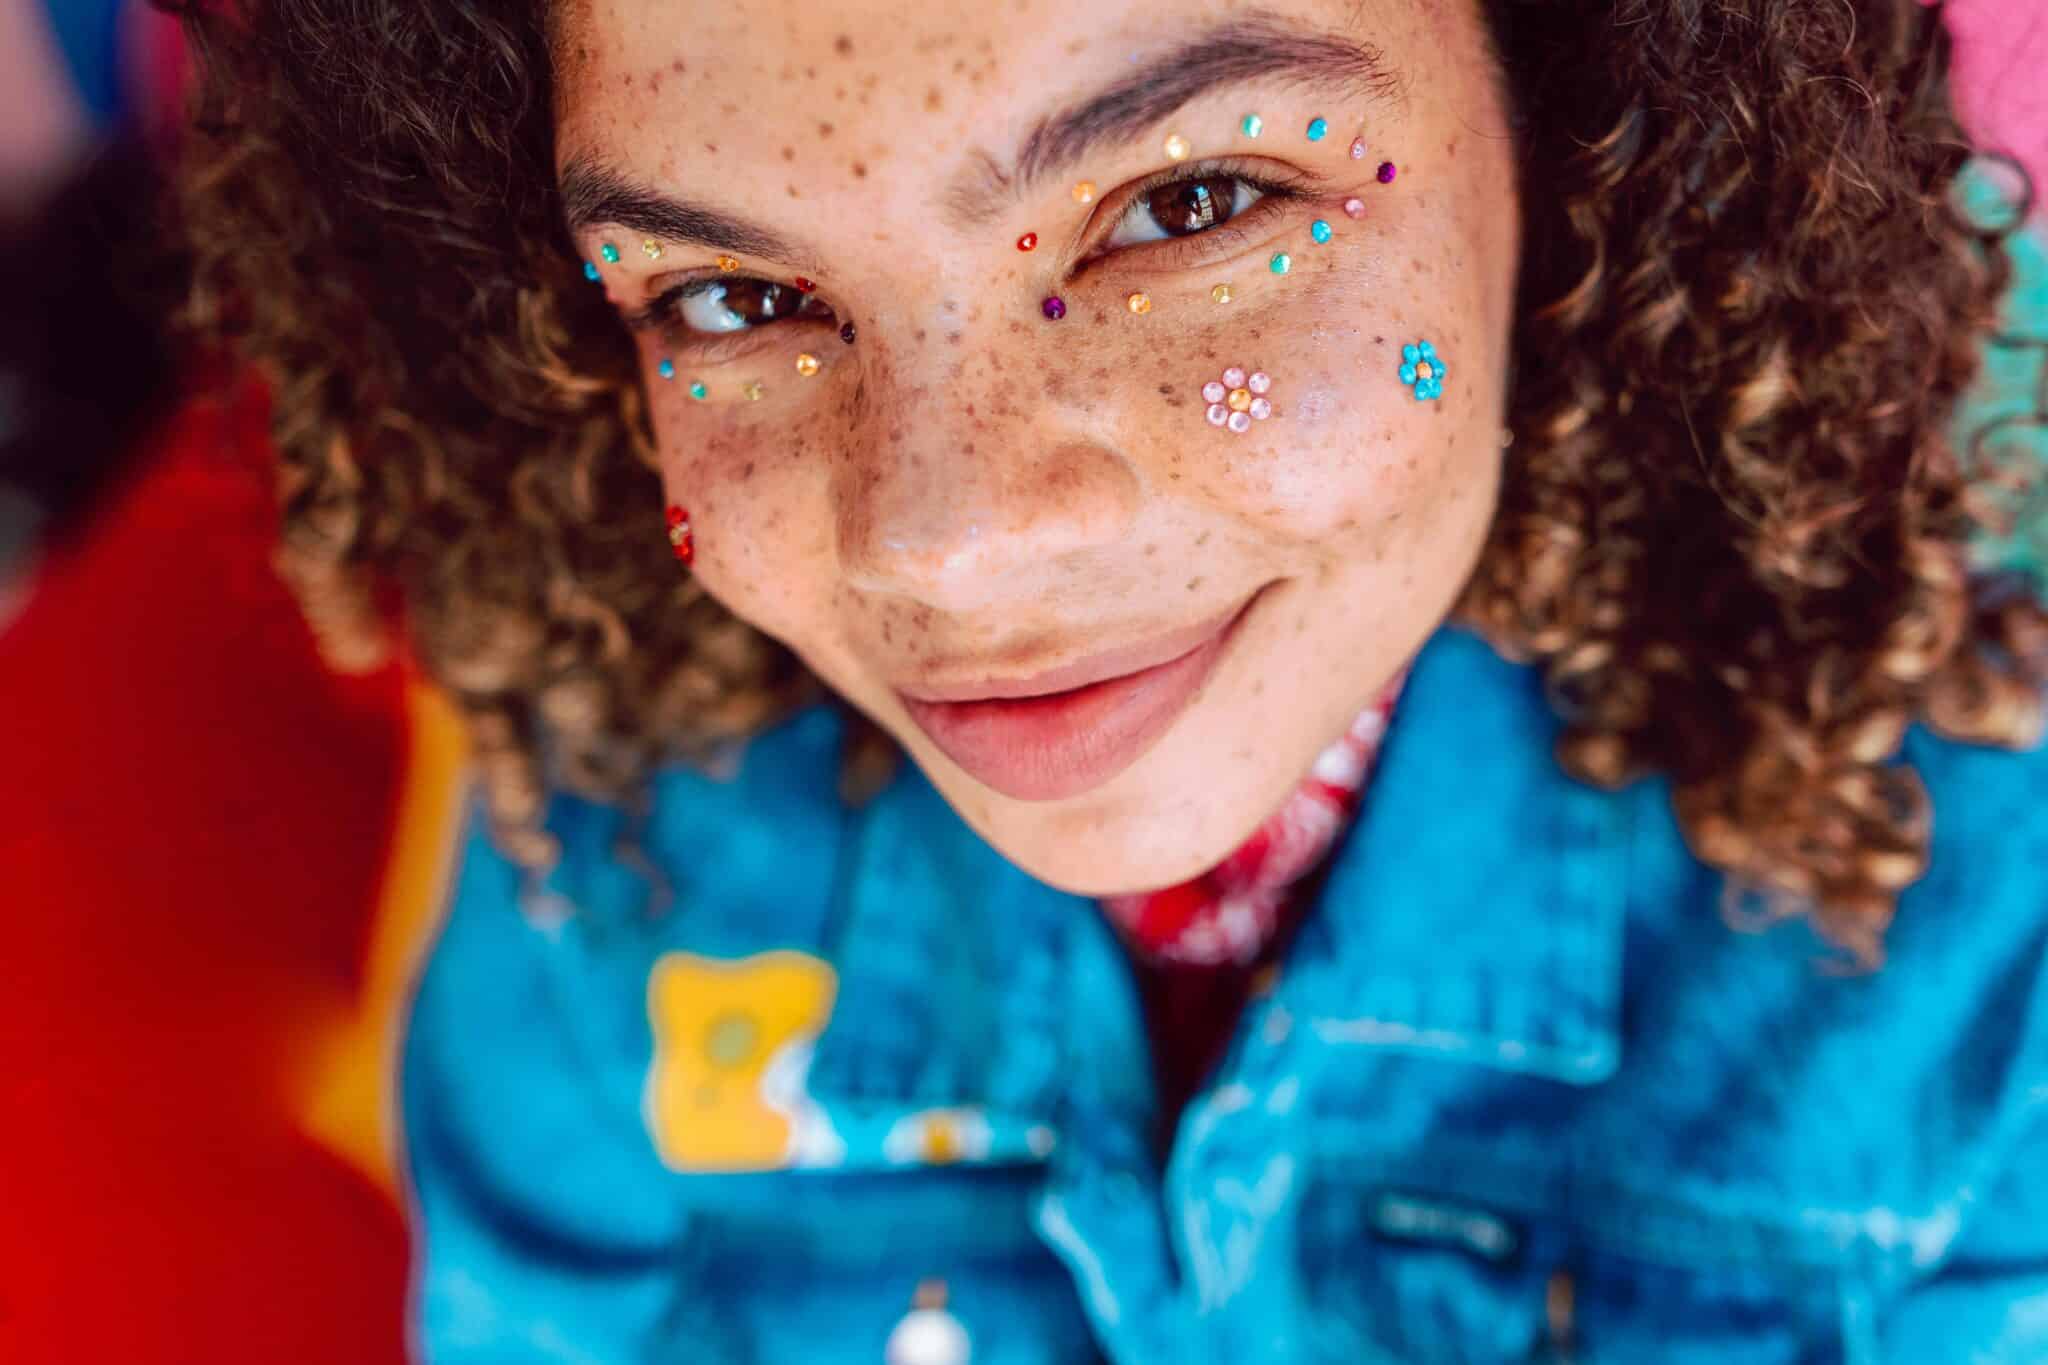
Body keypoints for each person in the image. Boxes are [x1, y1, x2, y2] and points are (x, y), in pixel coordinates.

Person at [158, 0, 2048, 1360]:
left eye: (1189, 205)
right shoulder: (601, 891)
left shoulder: (1995, 986)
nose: (942, 537)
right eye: (737, 298)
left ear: (1573, 128)